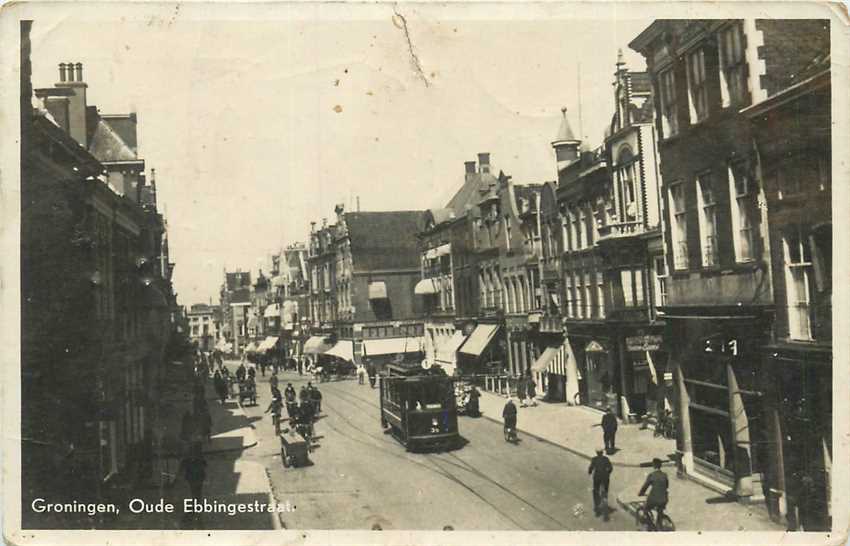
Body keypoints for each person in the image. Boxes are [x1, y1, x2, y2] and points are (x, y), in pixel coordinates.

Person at [638, 458, 670, 529]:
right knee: (660, 511)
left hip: (653, 498)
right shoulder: (665, 475)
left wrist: (640, 493)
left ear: (653, 466)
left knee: (645, 509)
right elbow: (667, 485)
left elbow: (645, 486)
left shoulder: (651, 475)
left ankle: (651, 525)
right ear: (660, 466)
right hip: (664, 498)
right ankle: (659, 523)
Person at [179, 442, 207, 523]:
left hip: (195, 478)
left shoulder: (189, 458)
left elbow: (183, 466)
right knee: (196, 493)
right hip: (196, 478)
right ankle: (197, 507)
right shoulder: (198, 458)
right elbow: (204, 465)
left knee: (195, 492)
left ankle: (196, 508)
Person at [588, 448, 613, 518]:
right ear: (602, 452)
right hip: (605, 477)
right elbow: (611, 468)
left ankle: (597, 503)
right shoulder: (606, 459)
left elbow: (591, 467)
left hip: (597, 477)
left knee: (595, 490)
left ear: (596, 453)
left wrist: (589, 472)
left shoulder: (594, 459)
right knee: (605, 489)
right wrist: (608, 473)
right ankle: (605, 497)